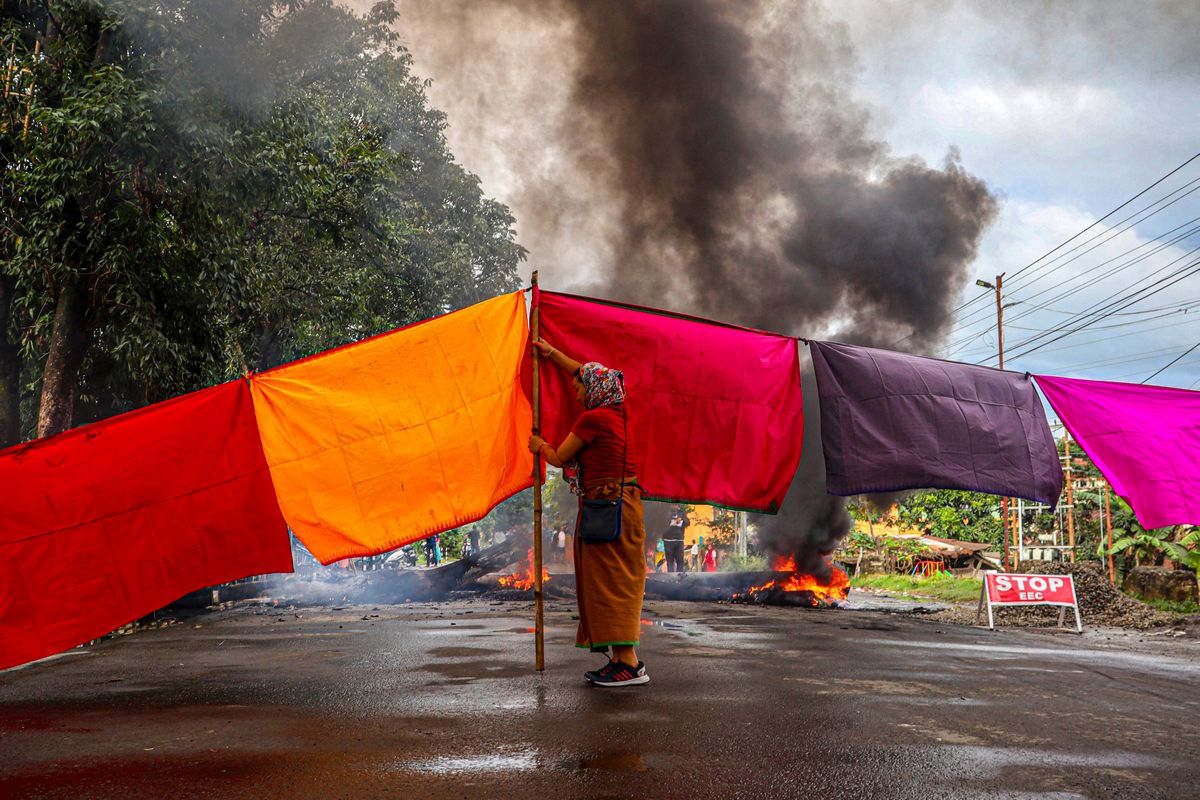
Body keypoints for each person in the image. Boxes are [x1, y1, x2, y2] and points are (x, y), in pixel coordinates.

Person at [528, 337, 649, 687]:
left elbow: (558, 458)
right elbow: (587, 372)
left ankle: (629, 663)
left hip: (607, 509)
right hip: (621, 507)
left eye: (578, 387)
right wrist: (552, 355)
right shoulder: (620, 411)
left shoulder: (592, 420)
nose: (575, 392)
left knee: (610, 585)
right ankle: (620, 659)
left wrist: (539, 445)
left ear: (594, 390)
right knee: (613, 583)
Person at [663, 505, 689, 573]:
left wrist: (682, 520)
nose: (675, 506)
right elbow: (660, 523)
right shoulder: (665, 512)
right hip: (668, 540)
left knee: (680, 560)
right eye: (673, 504)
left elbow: (687, 522)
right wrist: (672, 520)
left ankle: (680, 577)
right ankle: (671, 577)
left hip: (679, 540)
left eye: (676, 504)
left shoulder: (681, 513)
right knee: (670, 561)